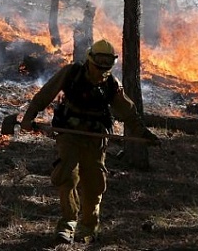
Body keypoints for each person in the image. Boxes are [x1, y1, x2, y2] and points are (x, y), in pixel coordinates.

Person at [20, 39, 160, 244]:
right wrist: (28, 117)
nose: (101, 69)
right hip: (69, 133)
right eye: (98, 63)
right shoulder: (71, 73)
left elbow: (128, 113)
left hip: (95, 139)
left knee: (94, 185)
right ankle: (68, 224)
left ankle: (88, 227)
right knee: (65, 176)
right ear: (90, 59)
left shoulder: (112, 85)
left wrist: (143, 133)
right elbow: (45, 94)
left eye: (107, 64)